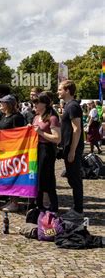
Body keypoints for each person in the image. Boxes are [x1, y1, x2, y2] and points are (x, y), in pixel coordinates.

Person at [58, 80, 85, 221]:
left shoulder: (73, 106)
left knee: (75, 179)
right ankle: (76, 207)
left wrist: (73, 151)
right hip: (68, 148)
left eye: (60, 89)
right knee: (72, 178)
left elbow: (77, 129)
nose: (58, 92)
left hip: (73, 149)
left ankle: (78, 210)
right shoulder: (69, 106)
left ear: (67, 90)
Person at [0, 94, 26, 212]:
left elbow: (18, 134)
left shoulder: (17, 117)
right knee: (7, 176)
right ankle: (10, 199)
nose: (0, 104)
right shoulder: (4, 116)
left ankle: (15, 202)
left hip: (13, 151)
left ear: (9, 104)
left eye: (3, 102)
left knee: (13, 176)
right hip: (3, 151)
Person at [31, 93, 61, 212]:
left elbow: (57, 138)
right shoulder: (36, 117)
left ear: (44, 104)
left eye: (37, 102)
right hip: (36, 148)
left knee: (47, 177)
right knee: (37, 176)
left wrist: (41, 133)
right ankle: (39, 204)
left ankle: (53, 204)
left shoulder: (52, 118)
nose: (35, 105)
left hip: (47, 149)